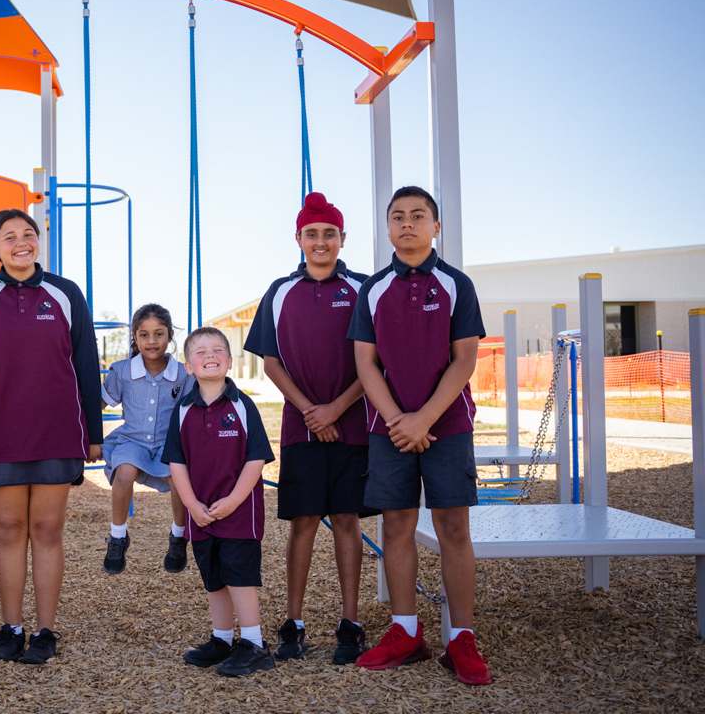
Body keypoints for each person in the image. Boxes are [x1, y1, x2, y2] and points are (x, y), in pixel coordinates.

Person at [347, 185, 492, 685]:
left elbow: (465, 359)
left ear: (435, 226)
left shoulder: (456, 285)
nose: (407, 223)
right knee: (396, 525)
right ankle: (406, 633)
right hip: (389, 427)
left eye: (418, 215)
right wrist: (398, 421)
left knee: (454, 528)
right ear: (387, 228)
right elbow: (365, 362)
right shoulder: (374, 288)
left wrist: (425, 418)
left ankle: (461, 640)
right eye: (397, 216)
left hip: (447, 424)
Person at [0, 208, 103, 665]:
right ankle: (11, 627)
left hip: (57, 430)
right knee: (9, 529)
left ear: (39, 242)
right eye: (10, 237)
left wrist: (92, 433)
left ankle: (45, 632)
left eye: (29, 234)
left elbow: (85, 365)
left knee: (47, 530)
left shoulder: (65, 293)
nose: (22, 242)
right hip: (1, 433)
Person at [243, 191, 376, 665]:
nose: (321, 242)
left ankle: (350, 623)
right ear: (298, 238)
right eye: (312, 234)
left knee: (346, 521)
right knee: (301, 524)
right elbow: (272, 362)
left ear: (343, 238)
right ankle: (293, 622)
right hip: (301, 428)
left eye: (330, 234)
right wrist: (309, 411)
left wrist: (336, 408)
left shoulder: (363, 288)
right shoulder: (280, 291)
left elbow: (373, 361)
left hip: (353, 427)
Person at [163, 327, 276, 677]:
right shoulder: (182, 410)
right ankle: (222, 639)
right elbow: (176, 462)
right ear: (188, 366)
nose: (209, 355)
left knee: (239, 575)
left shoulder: (243, 406)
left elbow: (256, 459)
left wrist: (233, 500)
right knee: (213, 576)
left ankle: (254, 644)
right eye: (200, 352)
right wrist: (192, 505)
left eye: (217, 350)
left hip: (239, 513)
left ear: (229, 361)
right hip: (202, 514)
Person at [99, 303, 193, 575]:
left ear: (170, 335)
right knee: (124, 474)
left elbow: (194, 410)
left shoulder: (184, 374)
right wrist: (90, 439)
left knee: (179, 479)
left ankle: (178, 536)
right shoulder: (123, 371)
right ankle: (118, 537)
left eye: (159, 334)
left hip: (168, 443)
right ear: (134, 336)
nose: (151, 341)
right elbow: (100, 405)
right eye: (144, 334)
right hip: (133, 441)